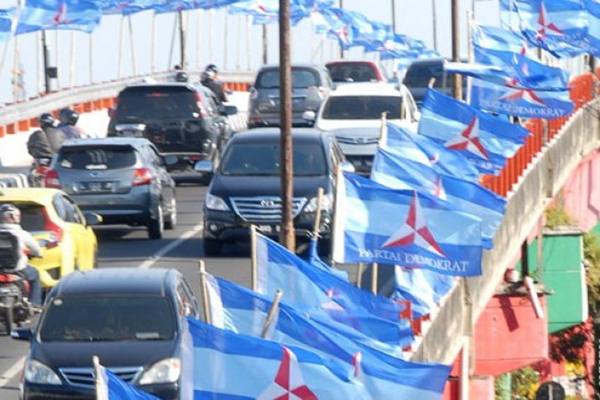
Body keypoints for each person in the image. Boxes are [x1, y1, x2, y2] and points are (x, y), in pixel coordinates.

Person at [0, 204, 42, 307]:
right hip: (18, 271)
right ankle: (35, 304)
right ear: (13, 217)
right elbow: (37, 251)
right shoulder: (22, 234)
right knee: (35, 274)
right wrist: (36, 254)